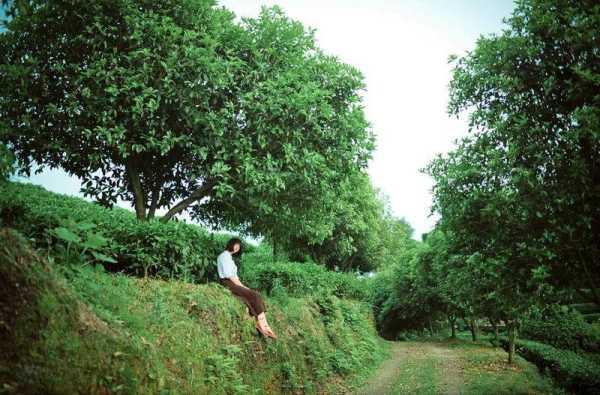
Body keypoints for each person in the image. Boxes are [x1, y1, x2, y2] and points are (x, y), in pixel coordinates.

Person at [217, 238, 277, 339]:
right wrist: (242, 287)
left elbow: (235, 277)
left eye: (239, 247)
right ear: (230, 244)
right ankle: (263, 326)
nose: (237, 248)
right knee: (254, 295)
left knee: (253, 294)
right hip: (228, 283)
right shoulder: (224, 256)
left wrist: (244, 287)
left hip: (232, 282)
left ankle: (262, 324)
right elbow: (230, 276)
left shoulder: (229, 257)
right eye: (236, 245)